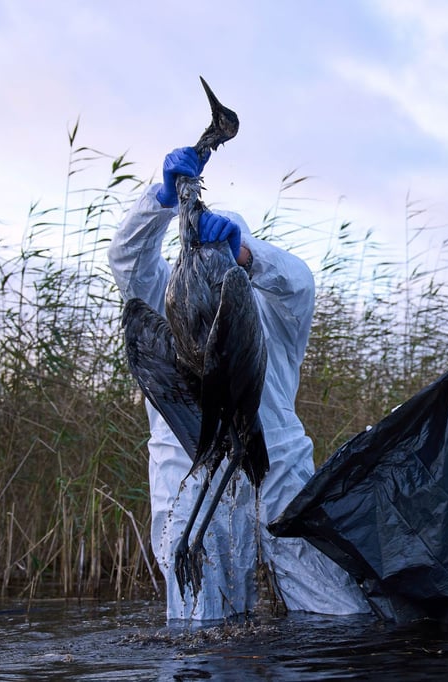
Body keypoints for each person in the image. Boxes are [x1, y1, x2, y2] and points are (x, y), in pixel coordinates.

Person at [108, 146, 370, 621]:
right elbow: (128, 259)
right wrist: (163, 200)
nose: (210, 264)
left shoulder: (272, 310)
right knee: (200, 626)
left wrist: (245, 256)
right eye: (202, 252)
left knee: (335, 614)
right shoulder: (165, 300)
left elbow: (299, 282)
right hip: (191, 477)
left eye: (225, 254)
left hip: (278, 473)